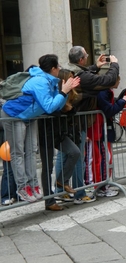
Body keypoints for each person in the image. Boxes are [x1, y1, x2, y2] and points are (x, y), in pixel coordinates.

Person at [1, 55, 80, 203]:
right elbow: (49, 107)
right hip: (14, 114)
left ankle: (33, 185)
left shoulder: (49, 81)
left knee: (31, 151)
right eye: (59, 67)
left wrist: (65, 91)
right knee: (18, 152)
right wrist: (63, 91)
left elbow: (58, 105)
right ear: (53, 69)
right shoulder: (40, 81)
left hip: (29, 117)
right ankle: (23, 187)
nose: (60, 69)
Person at [57, 45, 119, 204]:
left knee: (63, 155)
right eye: (86, 55)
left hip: (65, 119)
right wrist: (114, 64)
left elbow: (85, 74)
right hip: (76, 121)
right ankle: (79, 193)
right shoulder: (81, 76)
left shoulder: (67, 69)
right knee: (78, 155)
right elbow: (108, 80)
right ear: (81, 59)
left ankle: (59, 192)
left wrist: (95, 67)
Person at [38, 69, 81, 211]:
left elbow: (72, 110)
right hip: (46, 132)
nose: (72, 81)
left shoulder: (67, 94)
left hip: (59, 133)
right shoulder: (54, 91)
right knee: (47, 168)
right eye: (69, 79)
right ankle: (49, 201)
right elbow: (51, 109)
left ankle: (62, 181)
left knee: (75, 152)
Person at [87, 76, 126, 197]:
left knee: (104, 158)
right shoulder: (103, 92)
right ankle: (101, 186)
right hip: (99, 130)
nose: (119, 81)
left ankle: (103, 184)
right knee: (102, 158)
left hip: (101, 129)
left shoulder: (105, 92)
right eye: (118, 79)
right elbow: (109, 110)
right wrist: (122, 101)